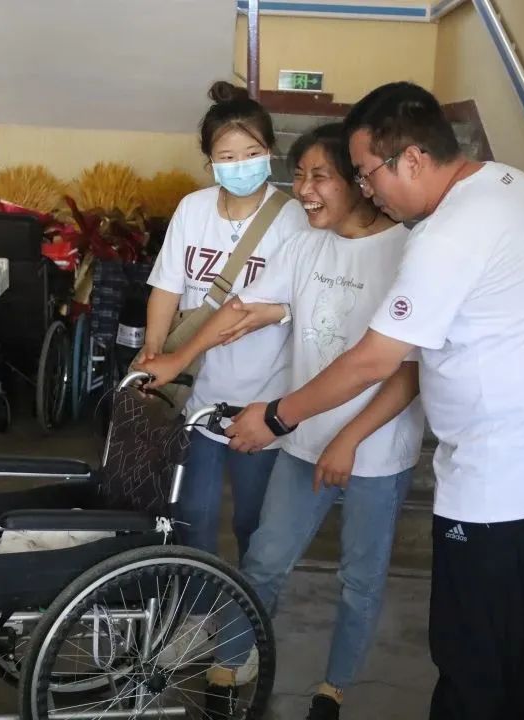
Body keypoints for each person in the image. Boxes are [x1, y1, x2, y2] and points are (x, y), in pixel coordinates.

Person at [222, 82, 524, 720]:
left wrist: (278, 416)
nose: (366, 190)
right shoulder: (512, 186)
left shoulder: (448, 233)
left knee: (469, 660)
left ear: (414, 159)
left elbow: (376, 360)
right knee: (510, 646)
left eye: (367, 172)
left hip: (498, 481)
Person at [142, 122, 425, 720]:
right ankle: (231, 660)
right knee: (265, 559)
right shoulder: (306, 245)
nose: (303, 191)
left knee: (359, 579)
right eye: (298, 176)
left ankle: (333, 689)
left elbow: (407, 373)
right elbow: (239, 309)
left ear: (358, 181)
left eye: (319, 176)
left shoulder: (407, 252)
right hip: (304, 439)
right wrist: (176, 358)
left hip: (375, 451)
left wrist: (349, 439)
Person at [136, 80, 308, 661]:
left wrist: (276, 312)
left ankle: (249, 629)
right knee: (194, 518)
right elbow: (167, 286)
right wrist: (155, 350)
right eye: (227, 157)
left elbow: (303, 298)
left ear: (270, 152)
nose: (240, 166)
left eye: (251, 153)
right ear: (209, 160)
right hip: (198, 396)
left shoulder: (294, 219)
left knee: (255, 526)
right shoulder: (192, 209)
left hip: (263, 399)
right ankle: (197, 622)